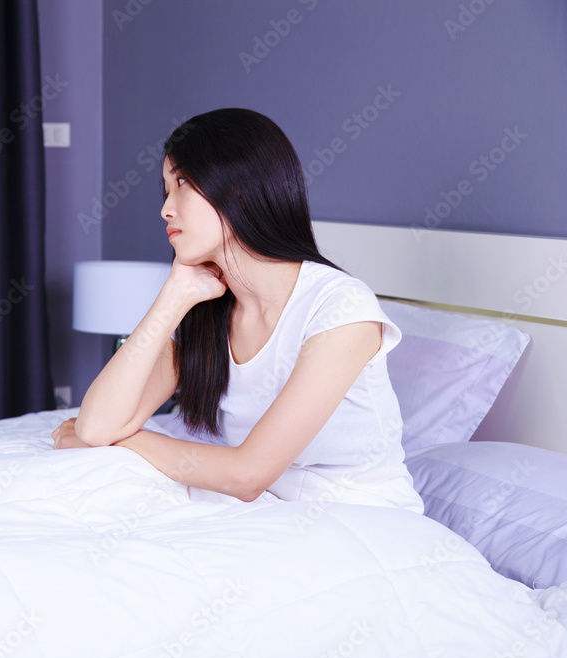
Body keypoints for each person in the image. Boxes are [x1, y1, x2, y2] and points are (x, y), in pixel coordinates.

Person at [51, 108, 423, 514]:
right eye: (166, 189)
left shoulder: (341, 308)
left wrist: (127, 440)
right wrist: (173, 297)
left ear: (240, 190)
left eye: (182, 183)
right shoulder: (206, 311)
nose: (166, 209)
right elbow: (95, 426)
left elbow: (247, 476)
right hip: (269, 513)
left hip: (363, 517)